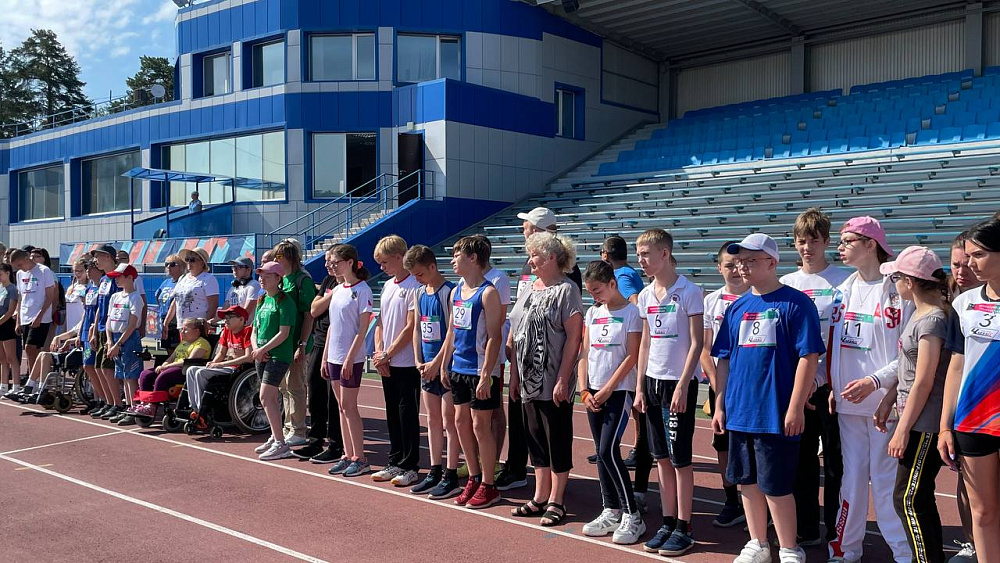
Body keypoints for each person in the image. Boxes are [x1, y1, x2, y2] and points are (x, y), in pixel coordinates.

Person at [711, 233, 825, 563]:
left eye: (751, 260)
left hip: (774, 411)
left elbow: (808, 356)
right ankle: (758, 543)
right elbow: (724, 359)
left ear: (772, 263)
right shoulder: (737, 307)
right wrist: (719, 404)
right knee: (747, 482)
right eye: (739, 261)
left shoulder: (796, 303)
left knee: (776, 485)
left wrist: (795, 406)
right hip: (740, 411)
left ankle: (789, 547)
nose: (742, 267)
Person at [828, 216, 914, 563]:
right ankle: (846, 548)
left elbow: (908, 353)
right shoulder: (841, 290)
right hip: (848, 405)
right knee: (851, 479)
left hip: (885, 405)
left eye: (847, 241)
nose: (840, 247)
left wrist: (876, 382)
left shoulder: (898, 290)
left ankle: (904, 553)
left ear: (870, 245)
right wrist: (833, 383)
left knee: (884, 480)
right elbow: (836, 345)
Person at [872, 246, 950, 563]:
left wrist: (902, 430)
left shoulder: (932, 320)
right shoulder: (919, 314)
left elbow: (924, 380)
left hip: (925, 422)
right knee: (915, 497)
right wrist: (890, 398)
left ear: (911, 281)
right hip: (914, 417)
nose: (894, 285)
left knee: (908, 498)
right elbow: (909, 370)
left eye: (897, 278)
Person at [499, 207, 583, 495]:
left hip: (551, 371)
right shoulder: (530, 280)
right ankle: (534, 487)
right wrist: (513, 364)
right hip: (526, 372)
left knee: (554, 434)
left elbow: (572, 333)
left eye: (526, 226)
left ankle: (555, 497)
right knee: (531, 431)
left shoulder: (568, 281)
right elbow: (518, 318)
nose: (530, 259)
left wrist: (562, 377)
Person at [779, 208, 850, 546]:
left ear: (827, 242)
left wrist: (823, 378)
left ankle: (837, 529)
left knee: (835, 461)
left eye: (814, 241)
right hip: (798, 385)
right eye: (801, 242)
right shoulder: (787, 284)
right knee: (801, 459)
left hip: (833, 383)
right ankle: (806, 527)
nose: (807, 248)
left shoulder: (844, 281)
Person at [633, 228, 704, 557]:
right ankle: (668, 521)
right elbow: (645, 343)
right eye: (638, 254)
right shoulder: (646, 295)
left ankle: (684, 527)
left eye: (646, 254)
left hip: (678, 384)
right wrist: (639, 387)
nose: (641, 260)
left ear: (664, 254)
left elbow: (697, 343)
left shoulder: (689, 291)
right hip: (652, 382)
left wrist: (684, 384)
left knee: (680, 460)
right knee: (660, 457)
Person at [939, 217, 1000, 563]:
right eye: (968, 255)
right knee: (983, 512)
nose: (970, 263)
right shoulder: (964, 304)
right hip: (974, 421)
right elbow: (957, 366)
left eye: (979, 255)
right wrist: (945, 426)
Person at [578, 260, 645, 544]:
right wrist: (583, 389)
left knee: (607, 450)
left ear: (613, 284)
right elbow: (585, 352)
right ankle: (610, 509)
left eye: (598, 290)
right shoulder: (593, 313)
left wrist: (607, 389)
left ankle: (633, 514)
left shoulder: (632, 313)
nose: (594, 296)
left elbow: (632, 355)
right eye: (590, 292)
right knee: (600, 450)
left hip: (618, 391)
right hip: (592, 390)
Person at [440, 236, 504, 509]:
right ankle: (474, 477)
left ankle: (489, 484)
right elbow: (452, 331)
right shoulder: (456, 291)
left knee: (481, 426)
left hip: (479, 370)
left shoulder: (488, 293)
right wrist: (444, 363)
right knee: (460, 423)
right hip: (458, 367)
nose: (453, 260)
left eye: (457, 255)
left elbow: (494, 337)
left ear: (473, 258)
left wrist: (486, 374)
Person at [700, 241, 750, 528]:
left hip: (751, 384)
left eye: (739, 264)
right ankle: (731, 499)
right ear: (719, 268)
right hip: (720, 384)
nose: (735, 270)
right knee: (723, 443)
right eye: (728, 265)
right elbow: (705, 348)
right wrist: (718, 383)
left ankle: (760, 502)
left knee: (752, 443)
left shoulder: (757, 295)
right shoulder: (712, 301)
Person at [404, 245, 461, 497]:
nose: (417, 279)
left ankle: (451, 473)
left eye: (420, 274)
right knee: (432, 419)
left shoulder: (449, 292)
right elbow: (417, 328)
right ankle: (435, 470)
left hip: (446, 366)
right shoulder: (418, 293)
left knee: (450, 421)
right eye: (414, 275)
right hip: (426, 367)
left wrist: (438, 363)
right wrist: (418, 359)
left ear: (432, 267)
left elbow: (452, 332)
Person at [371, 235, 422, 486]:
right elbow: (380, 322)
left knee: (407, 414)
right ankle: (394, 461)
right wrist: (379, 352)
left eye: (385, 262)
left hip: (407, 362)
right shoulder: (388, 285)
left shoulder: (414, 285)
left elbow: (411, 326)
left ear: (399, 257)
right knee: (392, 413)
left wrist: (388, 353)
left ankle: (410, 465)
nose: (382, 267)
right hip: (388, 361)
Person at [945, 231, 981, 563]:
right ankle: (972, 543)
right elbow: (955, 364)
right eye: (956, 264)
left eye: (968, 262)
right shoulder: (951, 300)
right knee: (965, 481)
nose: (962, 270)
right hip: (959, 405)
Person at [323, 244, 373, 478]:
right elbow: (332, 325)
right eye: (331, 263)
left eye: (336, 262)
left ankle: (360, 458)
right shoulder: (336, 289)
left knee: (350, 407)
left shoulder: (362, 290)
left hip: (350, 358)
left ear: (350, 262)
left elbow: (362, 328)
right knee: (341, 407)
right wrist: (325, 356)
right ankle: (347, 453)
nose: (332, 266)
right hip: (334, 356)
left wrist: (350, 357)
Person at [291, 248, 345, 463]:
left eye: (331, 261)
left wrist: (327, 299)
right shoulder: (328, 282)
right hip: (320, 341)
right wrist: (331, 295)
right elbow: (314, 310)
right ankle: (315, 441)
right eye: (326, 261)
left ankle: (336, 444)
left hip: (338, 345)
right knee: (315, 393)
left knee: (334, 399)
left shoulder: (353, 285)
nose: (327, 265)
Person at [252, 260, 297, 461]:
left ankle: (281, 443)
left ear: (278, 278)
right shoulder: (262, 300)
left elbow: (284, 333)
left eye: (267, 276)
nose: (262, 279)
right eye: (260, 276)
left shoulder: (285, 301)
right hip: (261, 355)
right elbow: (254, 329)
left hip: (278, 356)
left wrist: (264, 349)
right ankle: (275, 436)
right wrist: (256, 349)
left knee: (265, 397)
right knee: (269, 398)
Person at [273, 239, 315, 447]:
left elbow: (309, 315)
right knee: (283, 386)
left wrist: (302, 343)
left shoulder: (302, 280)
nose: (276, 259)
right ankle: (288, 426)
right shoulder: (282, 280)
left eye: (279, 256)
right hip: (283, 342)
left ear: (290, 258)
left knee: (295, 385)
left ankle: (298, 429)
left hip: (297, 340)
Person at [130, 317, 211, 425]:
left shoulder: (202, 343)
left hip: (185, 371)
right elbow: (171, 357)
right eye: (182, 329)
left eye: (185, 329)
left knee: (163, 376)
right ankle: (144, 403)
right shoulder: (183, 343)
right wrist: (164, 364)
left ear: (196, 331)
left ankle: (152, 406)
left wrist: (168, 367)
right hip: (173, 367)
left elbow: (189, 361)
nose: (182, 332)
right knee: (146, 374)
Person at [184, 306, 252, 424]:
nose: (226, 320)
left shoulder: (247, 331)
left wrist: (221, 364)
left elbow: (249, 357)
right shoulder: (227, 331)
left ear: (241, 319)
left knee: (200, 373)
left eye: (229, 317)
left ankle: (201, 410)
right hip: (227, 366)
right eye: (226, 318)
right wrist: (214, 363)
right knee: (191, 370)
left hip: (239, 369)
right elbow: (221, 353)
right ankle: (194, 407)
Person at [11, 248, 57, 398]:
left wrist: (39, 316)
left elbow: (50, 296)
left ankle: (33, 383)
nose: (19, 268)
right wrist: (18, 320)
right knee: (31, 351)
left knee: (30, 348)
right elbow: (21, 297)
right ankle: (35, 382)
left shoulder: (44, 271)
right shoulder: (20, 274)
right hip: (25, 316)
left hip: (40, 318)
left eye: (19, 264)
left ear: (26, 258)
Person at [104, 265, 145, 425]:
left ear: (129, 278)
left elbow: (133, 324)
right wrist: (110, 341)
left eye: (119, 276)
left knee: (131, 376)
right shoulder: (115, 297)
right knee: (122, 374)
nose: (116, 279)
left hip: (129, 339)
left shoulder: (135, 298)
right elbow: (109, 321)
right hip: (115, 338)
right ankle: (128, 407)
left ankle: (134, 408)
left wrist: (118, 344)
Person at [89, 245, 124, 420]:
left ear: (108, 257)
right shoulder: (103, 280)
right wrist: (94, 330)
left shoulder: (118, 278)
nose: (95, 261)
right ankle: (109, 403)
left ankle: (117, 404)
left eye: (98, 257)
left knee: (108, 369)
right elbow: (99, 307)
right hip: (102, 328)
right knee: (99, 367)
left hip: (113, 329)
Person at [164, 247, 219, 333]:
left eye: (192, 260)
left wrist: (205, 325)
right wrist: (166, 323)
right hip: (182, 327)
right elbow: (176, 301)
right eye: (187, 259)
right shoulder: (182, 278)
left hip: (197, 328)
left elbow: (213, 305)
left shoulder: (209, 279)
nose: (189, 262)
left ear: (202, 262)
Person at [78, 260, 106, 414]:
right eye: (86, 269)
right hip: (86, 331)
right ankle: (97, 399)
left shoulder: (103, 287)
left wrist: (93, 330)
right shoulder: (89, 288)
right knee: (89, 366)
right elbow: (85, 311)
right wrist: (79, 332)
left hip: (95, 330)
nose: (88, 271)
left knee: (94, 366)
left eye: (91, 268)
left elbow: (99, 311)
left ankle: (104, 399)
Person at [601, 236, 645, 304]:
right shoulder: (627, 271)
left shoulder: (622, 276)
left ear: (605, 255)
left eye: (601, 252)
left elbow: (635, 301)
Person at [155, 254, 184, 352]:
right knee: (168, 350)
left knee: (178, 351)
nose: (168, 267)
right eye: (166, 264)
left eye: (172, 264)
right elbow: (157, 296)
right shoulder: (166, 282)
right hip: (164, 321)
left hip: (177, 323)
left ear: (181, 266)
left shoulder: (183, 281)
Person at [0, 264, 19, 396]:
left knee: (11, 357)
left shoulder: (12, 289)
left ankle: (16, 386)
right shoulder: (1, 288)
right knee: (2, 358)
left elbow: (11, 310)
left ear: (7, 273)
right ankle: (4, 386)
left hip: (7, 324)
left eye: (1, 274)